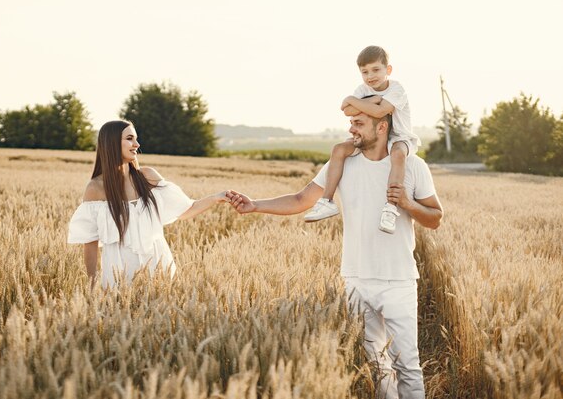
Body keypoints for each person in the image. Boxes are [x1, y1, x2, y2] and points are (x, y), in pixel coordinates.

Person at [227, 111, 443, 399]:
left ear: (381, 127)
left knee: (407, 365)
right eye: (351, 122)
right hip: (355, 278)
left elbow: (435, 217)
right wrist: (254, 206)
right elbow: (301, 199)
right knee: (376, 365)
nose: (350, 128)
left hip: (399, 280)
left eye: (358, 123)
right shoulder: (340, 164)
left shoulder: (413, 166)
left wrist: (406, 203)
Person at [68, 120, 229, 289]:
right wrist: (92, 284)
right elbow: (90, 242)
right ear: (112, 142)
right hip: (119, 274)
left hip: (159, 269)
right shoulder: (96, 188)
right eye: (130, 138)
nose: (136, 144)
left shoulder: (147, 176)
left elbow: (185, 210)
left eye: (136, 138)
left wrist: (217, 198)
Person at [304, 46, 421, 235]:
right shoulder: (362, 89)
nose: (370, 76)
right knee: (339, 149)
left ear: (388, 70)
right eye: (364, 72)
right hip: (371, 136)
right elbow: (347, 110)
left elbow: (379, 112)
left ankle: (390, 208)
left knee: (398, 154)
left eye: (376, 70)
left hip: (398, 136)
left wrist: (357, 101)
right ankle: (327, 201)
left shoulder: (397, 89)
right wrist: (371, 99)